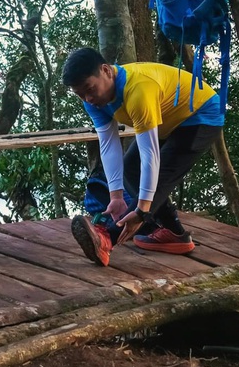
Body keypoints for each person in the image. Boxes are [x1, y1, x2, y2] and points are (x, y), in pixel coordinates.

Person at [62, 47, 223, 266]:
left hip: (200, 115)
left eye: (90, 89)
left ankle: (107, 238)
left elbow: (150, 155)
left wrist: (142, 210)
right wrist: (116, 197)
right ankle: (175, 234)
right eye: (80, 94)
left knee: (156, 181)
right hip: (167, 119)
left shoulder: (138, 89)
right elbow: (109, 145)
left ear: (106, 71)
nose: (88, 98)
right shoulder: (93, 100)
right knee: (131, 171)